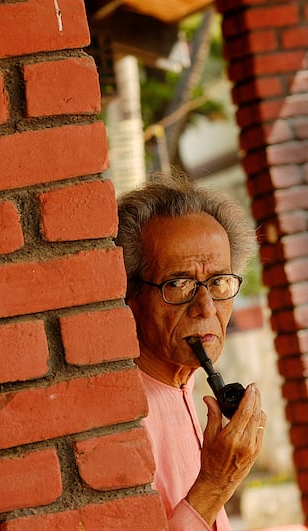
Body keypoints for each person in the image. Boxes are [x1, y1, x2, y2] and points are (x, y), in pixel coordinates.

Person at [116, 173, 267, 530]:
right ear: (131, 295)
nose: (206, 307)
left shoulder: (181, 385)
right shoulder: (122, 414)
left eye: (218, 283)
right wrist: (216, 484)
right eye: (179, 283)